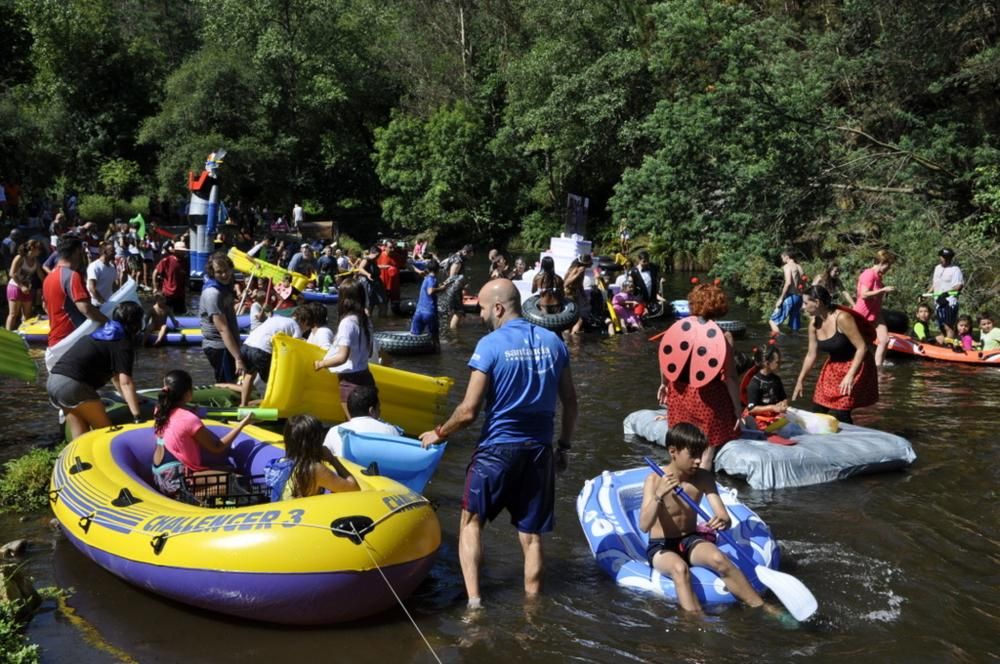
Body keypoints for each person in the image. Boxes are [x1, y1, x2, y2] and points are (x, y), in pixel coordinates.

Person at [419, 279, 578, 608]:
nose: (479, 315)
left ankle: (474, 604)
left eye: (481, 308)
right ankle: (532, 609)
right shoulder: (554, 342)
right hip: (539, 450)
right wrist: (563, 446)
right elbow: (571, 402)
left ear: (499, 308)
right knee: (531, 536)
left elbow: (468, 411)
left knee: (471, 522)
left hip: (497, 450)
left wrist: (439, 432)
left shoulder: (489, 346)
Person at [640, 423, 767, 614]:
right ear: (673, 451)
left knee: (719, 558)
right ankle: (695, 624)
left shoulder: (704, 478)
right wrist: (659, 495)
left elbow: (724, 517)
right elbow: (644, 525)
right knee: (679, 569)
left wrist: (723, 521)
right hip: (661, 546)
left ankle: (762, 607)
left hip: (691, 539)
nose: (699, 461)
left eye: (701, 454)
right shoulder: (654, 480)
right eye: (693, 455)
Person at [657, 283, 741, 470]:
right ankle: (703, 487)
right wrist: (737, 409)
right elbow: (730, 377)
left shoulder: (677, 328)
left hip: (679, 394)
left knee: (681, 447)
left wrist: (664, 384)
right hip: (707, 398)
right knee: (706, 455)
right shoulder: (723, 335)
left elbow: (665, 359)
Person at [150, 369, 255, 503]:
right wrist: (242, 424)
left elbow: (178, 419)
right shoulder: (189, 419)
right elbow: (217, 447)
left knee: (228, 469)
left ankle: (195, 495)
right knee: (240, 482)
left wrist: (191, 411)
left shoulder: (159, 409)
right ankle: (191, 499)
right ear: (188, 394)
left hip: (159, 476)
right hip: (176, 481)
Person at [46, 301, 144, 440]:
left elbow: (116, 378)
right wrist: (137, 417)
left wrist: (131, 399)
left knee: (81, 435)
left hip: (54, 381)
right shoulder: (122, 342)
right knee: (106, 433)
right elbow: (125, 382)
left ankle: (77, 459)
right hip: (73, 385)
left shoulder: (101, 333)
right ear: (135, 323)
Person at [794, 285, 879, 424]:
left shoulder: (843, 318)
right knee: (818, 409)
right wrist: (800, 380)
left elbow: (862, 347)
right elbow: (811, 354)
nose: (802, 307)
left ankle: (849, 443)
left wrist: (850, 375)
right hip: (833, 366)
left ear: (817, 303)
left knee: (841, 412)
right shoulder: (813, 325)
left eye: (805, 303)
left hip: (856, 364)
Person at [313, 278, 377, 419]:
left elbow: (342, 357)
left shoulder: (347, 323)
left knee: (355, 425)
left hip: (350, 382)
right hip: (367, 378)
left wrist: (321, 363)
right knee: (370, 424)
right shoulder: (366, 321)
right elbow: (370, 352)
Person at [265, 415, 359, 501]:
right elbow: (353, 488)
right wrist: (333, 460)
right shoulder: (314, 469)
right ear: (314, 442)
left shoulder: (281, 463)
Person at [42, 234, 108, 353]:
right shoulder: (72, 276)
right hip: (72, 341)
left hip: (54, 343)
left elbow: (45, 307)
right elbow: (85, 309)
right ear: (77, 251)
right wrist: (107, 321)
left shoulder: (48, 278)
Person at [239, 306, 314, 406]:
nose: (305, 331)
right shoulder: (296, 326)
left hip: (246, 345)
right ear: (304, 322)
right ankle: (266, 406)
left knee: (249, 376)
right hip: (262, 350)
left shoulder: (277, 318)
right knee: (272, 380)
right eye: (307, 328)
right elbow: (295, 348)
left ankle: (243, 404)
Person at [199, 253, 244, 384]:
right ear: (212, 273)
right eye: (219, 272)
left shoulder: (226, 284)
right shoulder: (212, 293)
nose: (224, 275)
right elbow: (222, 328)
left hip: (230, 344)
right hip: (219, 347)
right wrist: (238, 358)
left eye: (226, 271)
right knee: (226, 384)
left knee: (234, 381)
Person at [323, 385, 404, 456]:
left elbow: (325, 460)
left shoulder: (334, 431)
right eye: (379, 409)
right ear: (371, 411)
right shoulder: (390, 430)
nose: (380, 412)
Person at [853, 249, 895, 367]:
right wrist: (882, 290)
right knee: (862, 344)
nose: (889, 269)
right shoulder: (869, 274)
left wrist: (883, 292)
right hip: (862, 314)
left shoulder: (878, 277)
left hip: (875, 314)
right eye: (889, 266)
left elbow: (875, 294)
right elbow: (864, 294)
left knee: (885, 340)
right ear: (883, 263)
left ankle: (878, 366)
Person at [744, 343, 789, 431]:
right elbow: (751, 409)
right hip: (758, 417)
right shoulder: (755, 383)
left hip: (773, 415)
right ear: (767, 363)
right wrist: (772, 407)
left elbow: (783, 398)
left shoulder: (776, 380)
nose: (780, 365)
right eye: (777, 362)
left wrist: (783, 403)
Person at [6, 239, 44, 330]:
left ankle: (24, 334)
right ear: (32, 248)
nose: (40, 251)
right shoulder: (20, 257)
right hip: (15, 287)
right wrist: (21, 286)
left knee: (27, 315)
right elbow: (11, 273)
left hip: (27, 288)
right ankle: (8, 334)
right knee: (13, 314)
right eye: (39, 249)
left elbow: (41, 276)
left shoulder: (36, 261)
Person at [768, 249, 804, 336]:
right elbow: (803, 283)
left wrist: (781, 298)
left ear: (787, 257)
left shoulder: (787, 266)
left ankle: (779, 341)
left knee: (772, 321)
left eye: (782, 257)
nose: (782, 260)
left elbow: (788, 283)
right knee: (795, 329)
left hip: (790, 297)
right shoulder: (799, 267)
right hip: (799, 297)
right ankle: (795, 345)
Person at [930, 248, 964, 340]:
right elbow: (935, 284)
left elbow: (959, 286)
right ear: (940, 257)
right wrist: (927, 294)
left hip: (949, 302)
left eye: (947, 257)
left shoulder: (955, 269)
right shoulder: (937, 268)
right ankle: (944, 346)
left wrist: (946, 294)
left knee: (948, 326)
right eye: (943, 257)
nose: (945, 259)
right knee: (941, 327)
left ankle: (950, 346)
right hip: (938, 302)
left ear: (951, 258)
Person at [410, 258, 445, 346]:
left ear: (428, 269)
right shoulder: (433, 279)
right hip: (429, 312)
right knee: (435, 338)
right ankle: (437, 356)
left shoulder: (426, 278)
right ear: (438, 270)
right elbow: (430, 291)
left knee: (414, 337)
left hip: (418, 312)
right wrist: (442, 288)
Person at [441, 244, 473, 331]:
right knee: (459, 311)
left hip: (452, 289)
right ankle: (453, 332)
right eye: (469, 255)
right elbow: (452, 277)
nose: (469, 257)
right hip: (453, 289)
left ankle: (449, 328)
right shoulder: (458, 261)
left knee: (453, 311)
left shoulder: (454, 256)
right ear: (465, 252)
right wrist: (462, 286)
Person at [153, 240, 187, 314]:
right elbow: (155, 272)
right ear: (176, 251)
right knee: (165, 314)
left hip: (180, 294)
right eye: (182, 251)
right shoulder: (167, 260)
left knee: (180, 314)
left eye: (184, 251)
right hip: (168, 294)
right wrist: (155, 287)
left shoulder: (185, 261)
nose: (184, 252)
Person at [86, 240, 117, 306]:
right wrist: (103, 303)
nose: (115, 253)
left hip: (109, 303)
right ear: (105, 252)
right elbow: (92, 288)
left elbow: (113, 285)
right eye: (112, 251)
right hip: (96, 305)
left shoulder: (112, 267)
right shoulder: (94, 266)